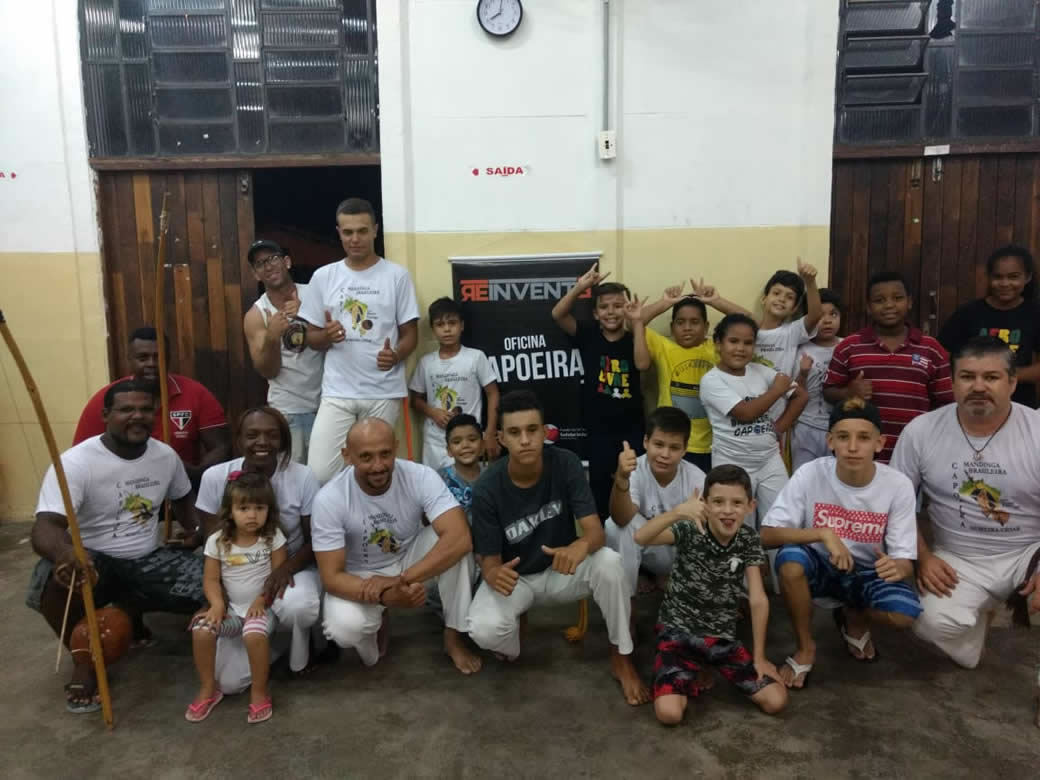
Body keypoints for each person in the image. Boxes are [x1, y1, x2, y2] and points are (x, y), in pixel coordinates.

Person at [27, 379, 204, 713]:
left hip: (149, 558)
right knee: (55, 576)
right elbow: (45, 526)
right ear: (106, 415)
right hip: (94, 561)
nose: (137, 416)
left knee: (217, 584)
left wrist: (197, 531)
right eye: (126, 410)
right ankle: (86, 659)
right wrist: (66, 554)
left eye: (145, 409)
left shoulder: (165, 455)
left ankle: (128, 612)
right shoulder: (76, 463)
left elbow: (184, 500)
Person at [890, 336, 1040, 726]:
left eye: (991, 377)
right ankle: (974, 631)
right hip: (958, 557)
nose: (978, 386)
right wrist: (923, 557)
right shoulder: (922, 431)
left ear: (1012, 382)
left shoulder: (1037, 430)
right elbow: (896, 503)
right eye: (968, 376)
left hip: (1029, 551)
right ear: (952, 382)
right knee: (928, 620)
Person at [465, 390, 648, 705]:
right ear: (501, 438)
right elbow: (490, 561)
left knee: (610, 563)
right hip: (517, 580)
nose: (525, 440)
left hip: (561, 570)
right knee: (483, 629)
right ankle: (515, 635)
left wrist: (580, 546)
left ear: (544, 431)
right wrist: (493, 574)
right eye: (514, 432)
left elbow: (595, 532)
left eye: (532, 430)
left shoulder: (566, 463)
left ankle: (621, 656)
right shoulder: (486, 487)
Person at [761, 398, 921, 689]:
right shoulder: (810, 473)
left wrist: (897, 566)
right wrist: (823, 534)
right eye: (843, 437)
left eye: (864, 438)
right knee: (790, 561)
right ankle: (805, 647)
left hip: (867, 572)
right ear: (830, 441)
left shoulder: (897, 485)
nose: (852, 447)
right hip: (820, 566)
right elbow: (767, 535)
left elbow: (904, 560)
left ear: (880, 443)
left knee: (904, 613)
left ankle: (853, 614)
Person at [311, 418, 481, 674]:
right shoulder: (329, 499)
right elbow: (332, 577)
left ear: (396, 448)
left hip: (407, 559)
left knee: (454, 546)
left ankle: (453, 636)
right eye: (366, 457)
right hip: (361, 575)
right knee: (344, 630)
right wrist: (384, 595)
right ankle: (375, 624)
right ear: (347, 456)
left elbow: (460, 538)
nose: (378, 465)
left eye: (385, 454)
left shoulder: (420, 476)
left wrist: (399, 581)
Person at [633, 465, 787, 724]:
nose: (727, 510)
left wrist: (760, 657)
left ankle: (702, 667)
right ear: (704, 504)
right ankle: (687, 670)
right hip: (678, 636)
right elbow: (641, 537)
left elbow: (758, 599)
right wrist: (678, 512)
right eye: (718, 502)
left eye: (737, 503)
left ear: (751, 506)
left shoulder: (748, 539)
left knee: (776, 701)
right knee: (669, 714)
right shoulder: (690, 528)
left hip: (721, 640)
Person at [196, 407, 323, 688]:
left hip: (289, 567)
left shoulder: (302, 477)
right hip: (238, 576)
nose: (262, 442)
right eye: (252, 435)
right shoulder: (215, 477)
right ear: (239, 440)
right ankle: (272, 645)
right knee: (228, 684)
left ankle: (301, 649)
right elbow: (212, 542)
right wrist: (216, 597)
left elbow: (314, 540)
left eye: (272, 435)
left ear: (284, 440)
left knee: (298, 606)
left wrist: (284, 569)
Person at [298, 198, 420, 484]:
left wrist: (396, 355)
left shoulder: (397, 276)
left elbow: (411, 335)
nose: (355, 239)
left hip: (383, 391)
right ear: (339, 233)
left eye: (362, 231)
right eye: (348, 232)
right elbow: (311, 338)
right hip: (337, 391)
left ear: (375, 230)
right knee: (321, 473)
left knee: (375, 471)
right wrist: (326, 336)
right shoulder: (323, 277)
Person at [73, 326, 230, 487]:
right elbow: (82, 455)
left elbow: (221, 447)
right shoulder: (106, 398)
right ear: (129, 360)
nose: (152, 363)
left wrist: (195, 474)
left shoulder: (196, 393)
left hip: (182, 486)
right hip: (122, 488)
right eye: (143, 358)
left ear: (168, 358)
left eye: (158, 357)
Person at [186, 472, 286, 725]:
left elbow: (278, 575)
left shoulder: (273, 537)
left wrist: (262, 600)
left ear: (269, 510)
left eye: (259, 508)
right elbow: (211, 579)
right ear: (230, 511)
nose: (252, 515)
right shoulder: (218, 541)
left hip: (262, 609)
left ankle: (260, 692)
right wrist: (217, 605)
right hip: (232, 611)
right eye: (243, 508)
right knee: (201, 629)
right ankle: (208, 688)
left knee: (253, 634)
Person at [824, 270, 953, 463]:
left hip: (916, 451)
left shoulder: (931, 348)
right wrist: (848, 393)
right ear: (869, 307)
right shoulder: (849, 346)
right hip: (863, 452)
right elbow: (828, 392)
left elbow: (946, 403)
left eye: (897, 298)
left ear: (909, 302)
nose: (889, 305)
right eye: (879, 300)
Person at [551, 263, 645, 521]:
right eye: (604, 307)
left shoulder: (635, 336)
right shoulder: (588, 334)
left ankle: (636, 538)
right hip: (598, 431)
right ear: (595, 313)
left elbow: (642, 364)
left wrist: (637, 323)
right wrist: (580, 287)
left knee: (634, 487)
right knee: (601, 490)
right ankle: (604, 538)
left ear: (627, 308)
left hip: (632, 429)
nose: (611, 312)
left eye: (618, 306)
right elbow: (558, 314)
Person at [700, 314, 808, 530]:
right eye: (733, 341)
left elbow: (801, 396)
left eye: (748, 343)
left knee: (780, 523)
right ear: (718, 343)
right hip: (732, 463)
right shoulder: (711, 380)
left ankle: (774, 554)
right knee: (737, 527)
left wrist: (779, 428)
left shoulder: (761, 371)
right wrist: (777, 390)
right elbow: (745, 413)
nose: (740, 348)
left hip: (769, 460)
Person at [635, 279, 746, 473]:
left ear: (706, 326)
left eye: (695, 322)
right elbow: (634, 320)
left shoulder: (716, 348)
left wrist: (716, 301)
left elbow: (750, 324)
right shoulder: (663, 347)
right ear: (672, 327)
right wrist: (664, 303)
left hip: (712, 445)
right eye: (680, 322)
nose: (687, 327)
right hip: (671, 443)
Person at [606, 407, 706, 598]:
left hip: (682, 554)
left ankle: (672, 578)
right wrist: (622, 479)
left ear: (685, 449)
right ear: (646, 442)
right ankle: (626, 600)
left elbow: (706, 534)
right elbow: (620, 518)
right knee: (614, 526)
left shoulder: (696, 478)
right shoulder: (634, 469)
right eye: (658, 444)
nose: (665, 454)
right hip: (649, 546)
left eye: (674, 448)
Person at [243, 239, 324, 464]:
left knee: (327, 475)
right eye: (260, 264)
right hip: (288, 410)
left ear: (287, 262)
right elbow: (267, 371)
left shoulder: (314, 294)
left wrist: (306, 313)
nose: (268, 266)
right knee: (291, 476)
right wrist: (272, 337)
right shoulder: (256, 315)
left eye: (273, 258)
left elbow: (337, 337)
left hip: (328, 404)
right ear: (256, 274)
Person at [938, 245, 1039, 409]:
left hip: (1019, 404)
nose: (1005, 283)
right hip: (972, 402)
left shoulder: (1035, 314)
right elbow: (941, 355)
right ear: (989, 277)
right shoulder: (968, 313)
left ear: (1027, 277)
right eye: (998, 277)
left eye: (1013, 277)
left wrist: (1005, 375)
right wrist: (969, 375)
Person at [409, 297, 499, 470]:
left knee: (472, 482)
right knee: (436, 484)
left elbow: (493, 393)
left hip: (469, 439)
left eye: (452, 323)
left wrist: (489, 433)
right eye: (440, 324)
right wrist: (432, 412)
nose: (447, 329)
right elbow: (415, 400)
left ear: (462, 325)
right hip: (435, 442)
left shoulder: (475, 357)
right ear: (433, 329)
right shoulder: (426, 363)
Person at [754, 261, 823, 421]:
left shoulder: (791, 332)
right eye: (776, 293)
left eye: (789, 297)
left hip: (776, 413)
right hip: (746, 405)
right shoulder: (749, 330)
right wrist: (716, 300)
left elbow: (815, 315)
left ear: (794, 308)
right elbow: (742, 315)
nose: (782, 299)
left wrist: (810, 282)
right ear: (764, 298)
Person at [791, 289, 842, 470]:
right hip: (806, 426)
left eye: (833, 314)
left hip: (839, 428)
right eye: (820, 316)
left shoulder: (848, 346)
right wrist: (803, 374)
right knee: (804, 477)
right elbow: (793, 394)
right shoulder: (799, 350)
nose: (827, 321)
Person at [438, 414, 486, 527]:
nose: (465, 445)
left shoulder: (493, 476)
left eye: (472, 439)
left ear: (483, 446)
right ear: (449, 450)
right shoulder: (439, 480)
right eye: (457, 442)